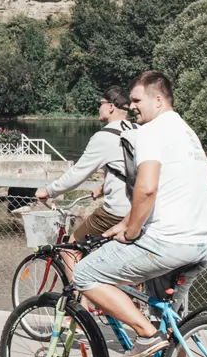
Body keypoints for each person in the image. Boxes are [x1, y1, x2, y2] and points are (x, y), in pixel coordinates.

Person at [70, 70, 207, 357]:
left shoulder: (150, 131)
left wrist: (131, 231)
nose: (132, 106)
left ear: (158, 100)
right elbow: (167, 191)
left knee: (85, 273)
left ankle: (145, 335)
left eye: (137, 100)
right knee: (171, 322)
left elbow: (146, 189)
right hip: (201, 243)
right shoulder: (186, 132)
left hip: (167, 243)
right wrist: (125, 222)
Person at [35, 86, 133, 278]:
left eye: (101, 104)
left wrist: (49, 191)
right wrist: (104, 187)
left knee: (70, 249)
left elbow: (78, 174)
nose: (99, 108)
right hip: (140, 210)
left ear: (111, 107)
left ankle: (80, 304)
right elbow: (130, 169)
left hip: (118, 210)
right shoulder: (137, 130)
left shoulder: (104, 137)